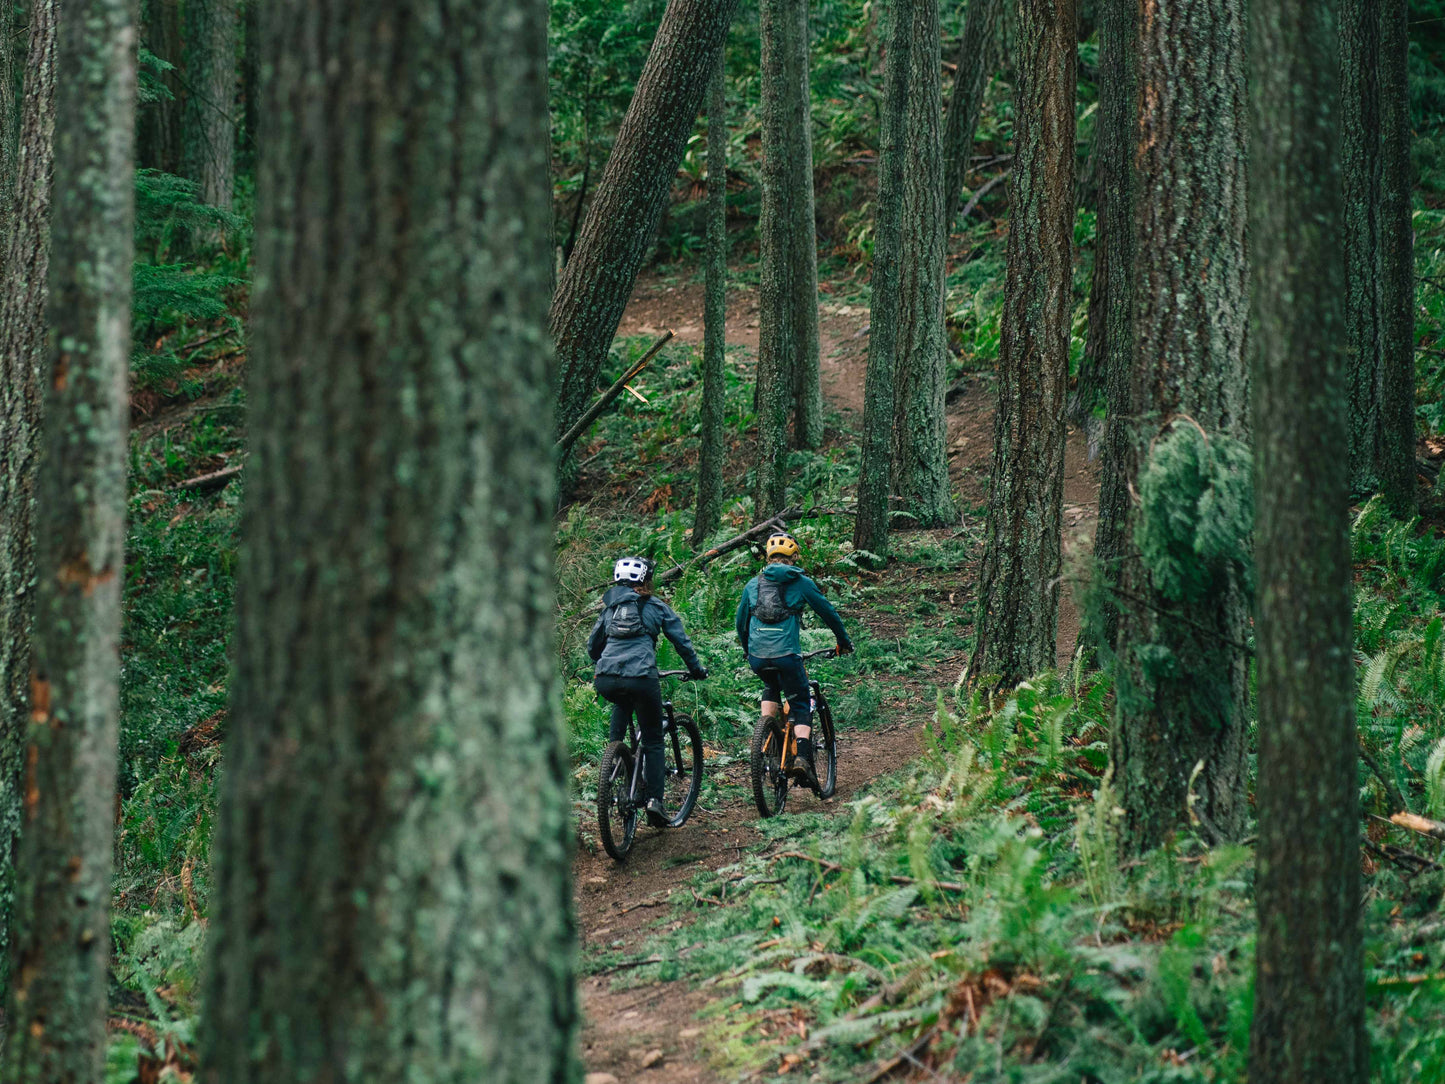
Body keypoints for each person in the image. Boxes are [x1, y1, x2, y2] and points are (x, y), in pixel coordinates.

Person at [589, 556, 708, 826]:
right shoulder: (655, 606)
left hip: (606, 678)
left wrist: (606, 663)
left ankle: (616, 757)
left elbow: (592, 647)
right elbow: (681, 641)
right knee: (653, 739)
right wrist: (696, 669)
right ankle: (655, 801)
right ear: (646, 581)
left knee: (621, 704)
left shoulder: (610, 609)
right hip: (642, 677)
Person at [735, 532, 853, 787]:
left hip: (758, 658)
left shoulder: (753, 584)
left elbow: (740, 623)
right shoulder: (801, 582)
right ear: (795, 556)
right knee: (800, 701)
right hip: (787, 655)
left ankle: (767, 730)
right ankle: (801, 758)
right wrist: (843, 641)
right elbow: (828, 613)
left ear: (768, 557)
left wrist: (749, 650)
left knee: (771, 684)